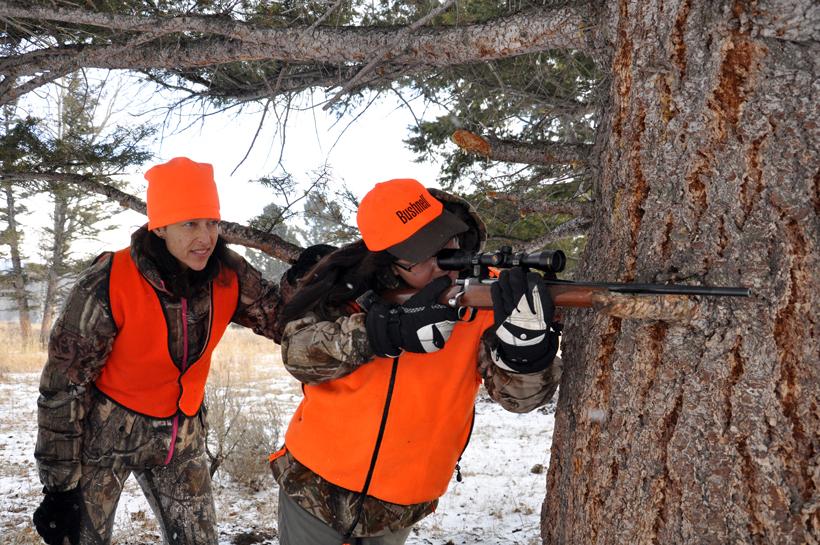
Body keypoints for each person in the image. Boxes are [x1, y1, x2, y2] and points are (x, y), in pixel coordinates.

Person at [270, 178, 563, 545]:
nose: (443, 265)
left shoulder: (490, 297)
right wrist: (386, 331)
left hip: (401, 501)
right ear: (388, 261)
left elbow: (521, 400)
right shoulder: (349, 289)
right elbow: (298, 355)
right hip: (313, 486)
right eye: (423, 256)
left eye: (447, 245)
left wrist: (526, 352)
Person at [32, 157, 283, 545]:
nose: (206, 237)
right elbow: (62, 387)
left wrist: (321, 282)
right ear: (160, 226)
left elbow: (282, 317)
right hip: (103, 441)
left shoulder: (227, 273)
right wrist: (59, 488)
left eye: (212, 222)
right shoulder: (107, 281)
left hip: (182, 439)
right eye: (190, 223)